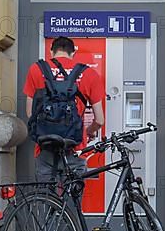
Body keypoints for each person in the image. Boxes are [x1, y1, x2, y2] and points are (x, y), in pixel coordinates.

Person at [23, 36, 105, 182]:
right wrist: (88, 132)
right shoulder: (88, 73)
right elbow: (99, 120)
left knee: (46, 198)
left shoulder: (36, 69)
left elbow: (30, 114)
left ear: (51, 51)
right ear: (73, 53)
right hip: (75, 147)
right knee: (72, 199)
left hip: (45, 147)